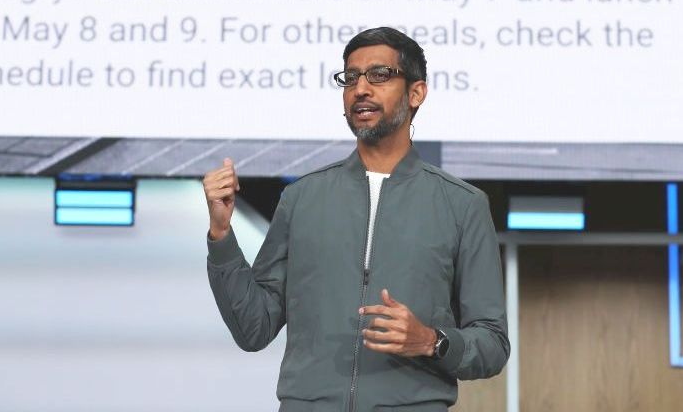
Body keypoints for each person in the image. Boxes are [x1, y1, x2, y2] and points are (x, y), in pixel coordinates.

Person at [203, 27, 509, 412]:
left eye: (379, 75)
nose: (361, 88)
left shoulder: (462, 204)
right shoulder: (302, 199)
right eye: (351, 78)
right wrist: (221, 232)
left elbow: (493, 344)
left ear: (416, 93)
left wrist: (432, 341)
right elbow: (253, 328)